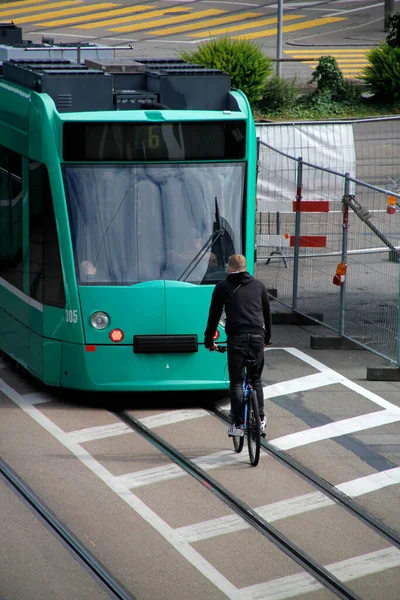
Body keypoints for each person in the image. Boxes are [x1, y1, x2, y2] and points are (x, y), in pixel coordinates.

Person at [204, 254, 272, 437]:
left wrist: (209, 341)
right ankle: (260, 418)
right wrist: (267, 338)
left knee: (236, 381)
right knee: (256, 379)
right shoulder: (259, 285)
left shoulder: (222, 287)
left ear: (229, 268)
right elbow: (267, 315)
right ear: (246, 267)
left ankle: (239, 424)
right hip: (258, 337)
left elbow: (214, 316)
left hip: (237, 339)